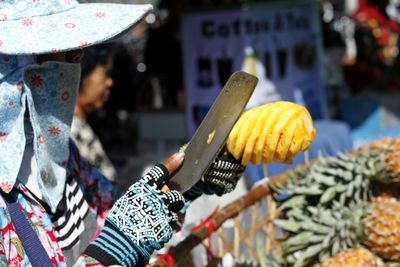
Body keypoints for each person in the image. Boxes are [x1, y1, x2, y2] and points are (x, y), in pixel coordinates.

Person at [0, 1, 245, 266]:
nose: (78, 61)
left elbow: (118, 210)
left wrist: (188, 181)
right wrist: (119, 244)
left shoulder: (60, 155)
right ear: (14, 66)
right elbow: (121, 235)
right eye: (67, 53)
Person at [71, 44, 117, 181]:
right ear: (81, 75)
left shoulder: (80, 125)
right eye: (105, 73)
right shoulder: (71, 131)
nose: (110, 82)